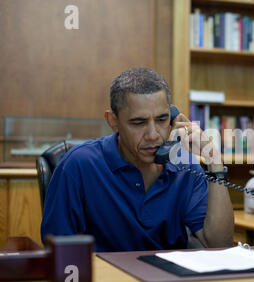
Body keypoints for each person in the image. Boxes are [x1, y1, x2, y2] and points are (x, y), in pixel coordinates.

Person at [40, 68, 234, 252]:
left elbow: (219, 245)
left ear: (174, 118)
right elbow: (59, 250)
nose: (153, 135)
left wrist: (214, 160)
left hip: (167, 281)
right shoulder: (78, 165)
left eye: (161, 120)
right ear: (113, 121)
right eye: (139, 122)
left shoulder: (185, 166)